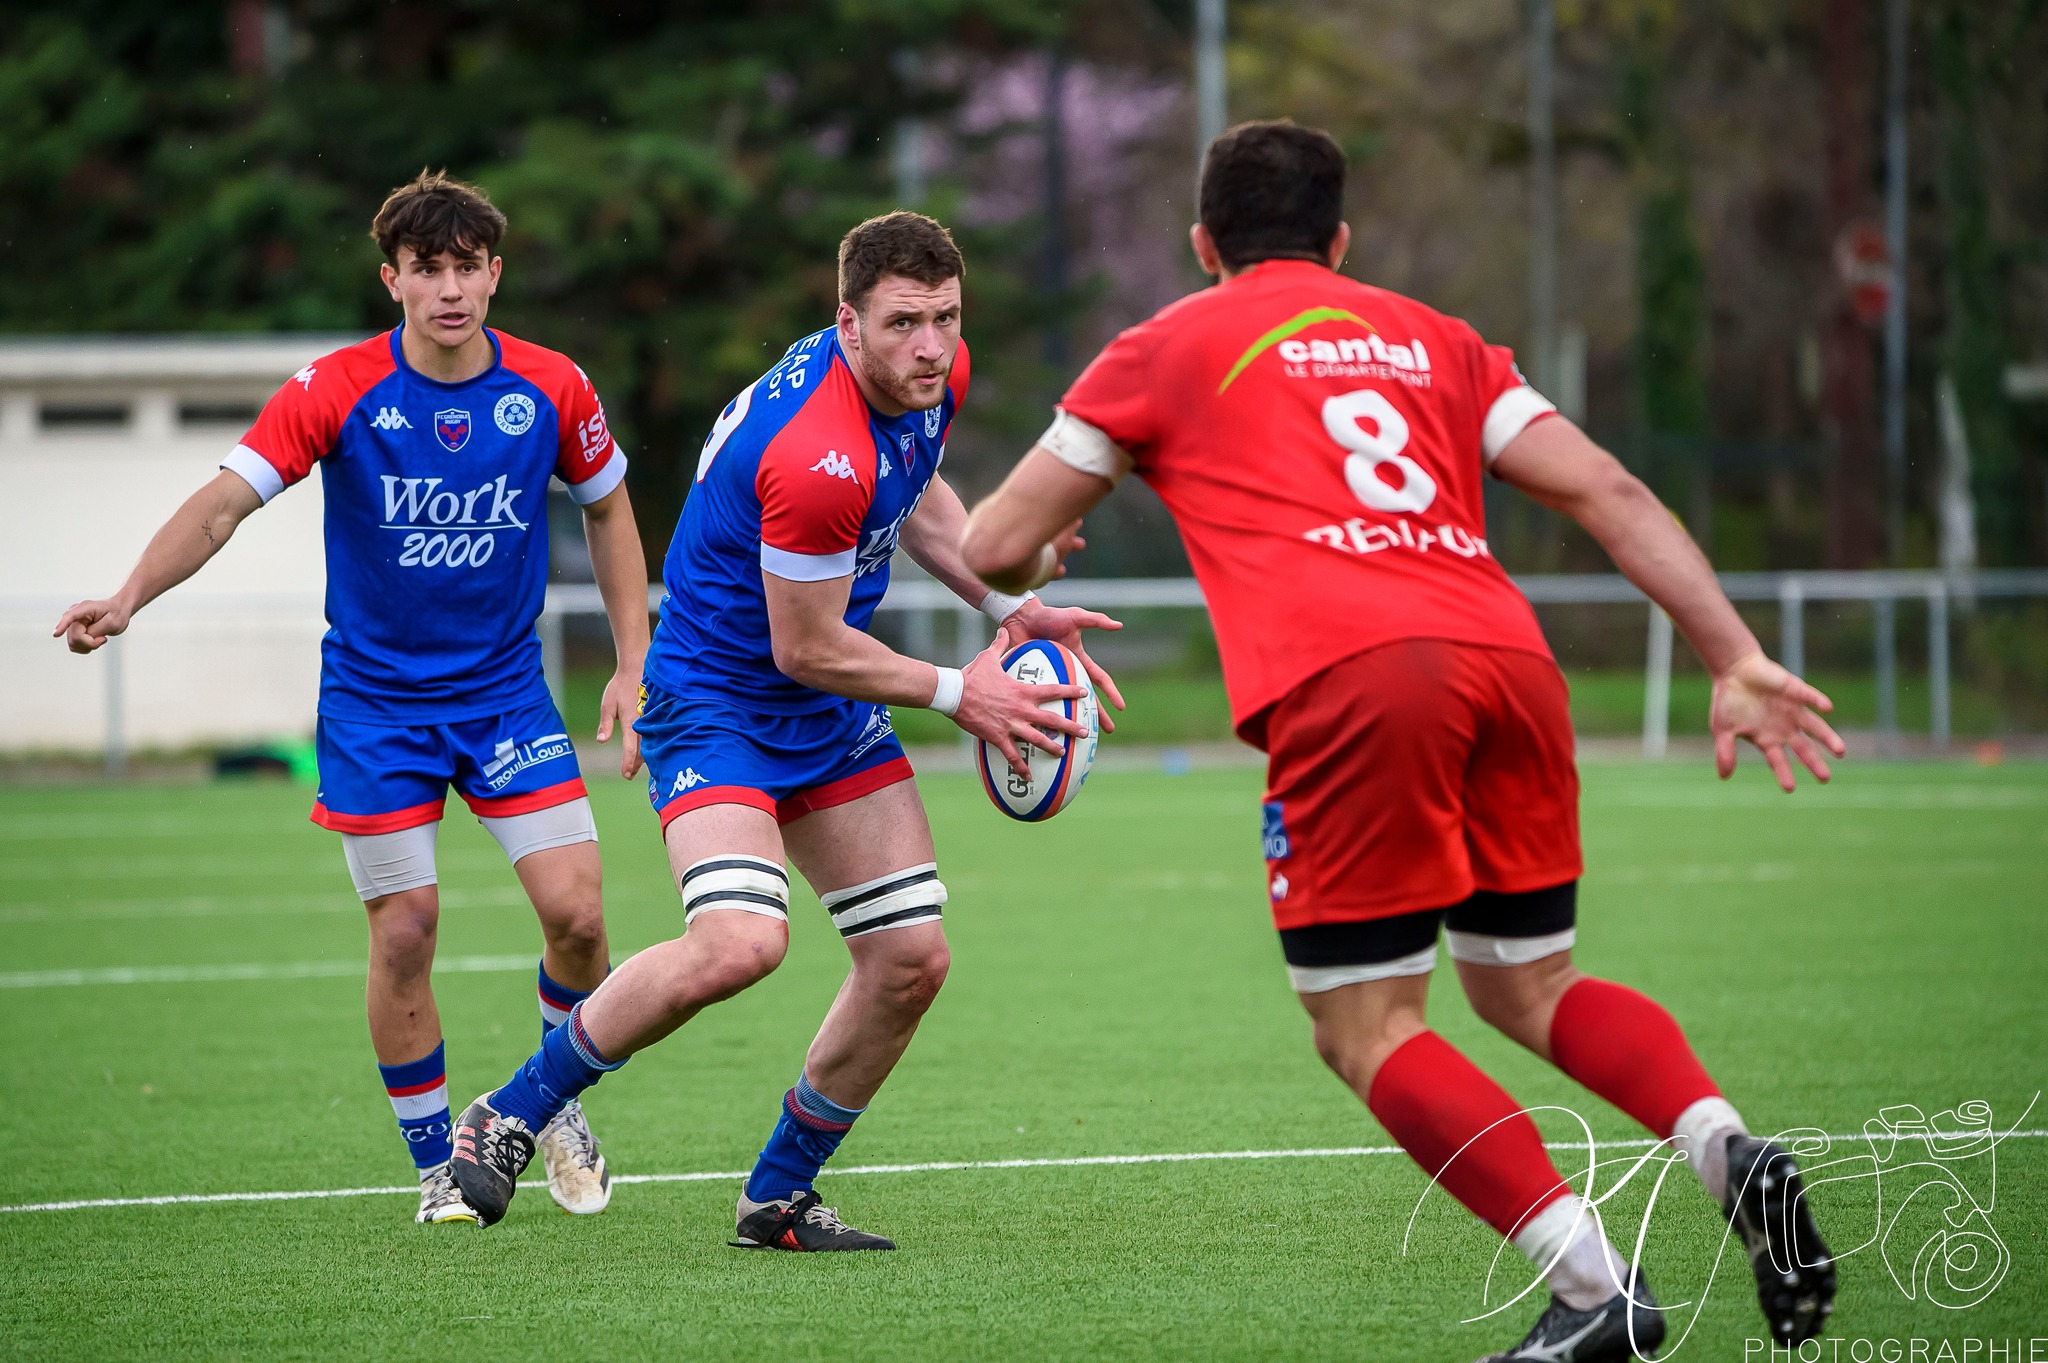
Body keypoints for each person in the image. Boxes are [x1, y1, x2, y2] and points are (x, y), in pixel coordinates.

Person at [960, 122, 1845, 1361]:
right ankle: (1722, 1147)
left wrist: (1046, 544)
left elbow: (992, 545)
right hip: (1506, 661)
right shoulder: (1437, 340)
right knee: (1528, 985)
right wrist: (1731, 656)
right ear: (1340, 241)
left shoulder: (1158, 348)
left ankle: (1593, 1293)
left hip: (1354, 677)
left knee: (1364, 1024)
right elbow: (1608, 491)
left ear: (1203, 244)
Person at [447, 211, 1123, 1247]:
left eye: (945, 317)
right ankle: (509, 1112)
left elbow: (921, 497)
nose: (931, 346)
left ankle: (776, 1196)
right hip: (716, 702)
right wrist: (962, 691)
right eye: (903, 324)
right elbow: (805, 644)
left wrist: (1007, 609)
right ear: (845, 320)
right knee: (739, 943)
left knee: (910, 959)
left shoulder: (917, 382)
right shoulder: (814, 452)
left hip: (823, 705)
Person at [54, 170, 650, 1227]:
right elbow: (222, 504)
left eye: (469, 267)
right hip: (375, 706)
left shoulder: (554, 385)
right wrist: (129, 594)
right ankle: (436, 1170)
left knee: (579, 914)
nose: (451, 289)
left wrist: (630, 659)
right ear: (394, 281)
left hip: (508, 698)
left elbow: (608, 511)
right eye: (429, 270)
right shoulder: (335, 387)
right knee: (406, 928)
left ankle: (547, 1106)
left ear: (495, 274)